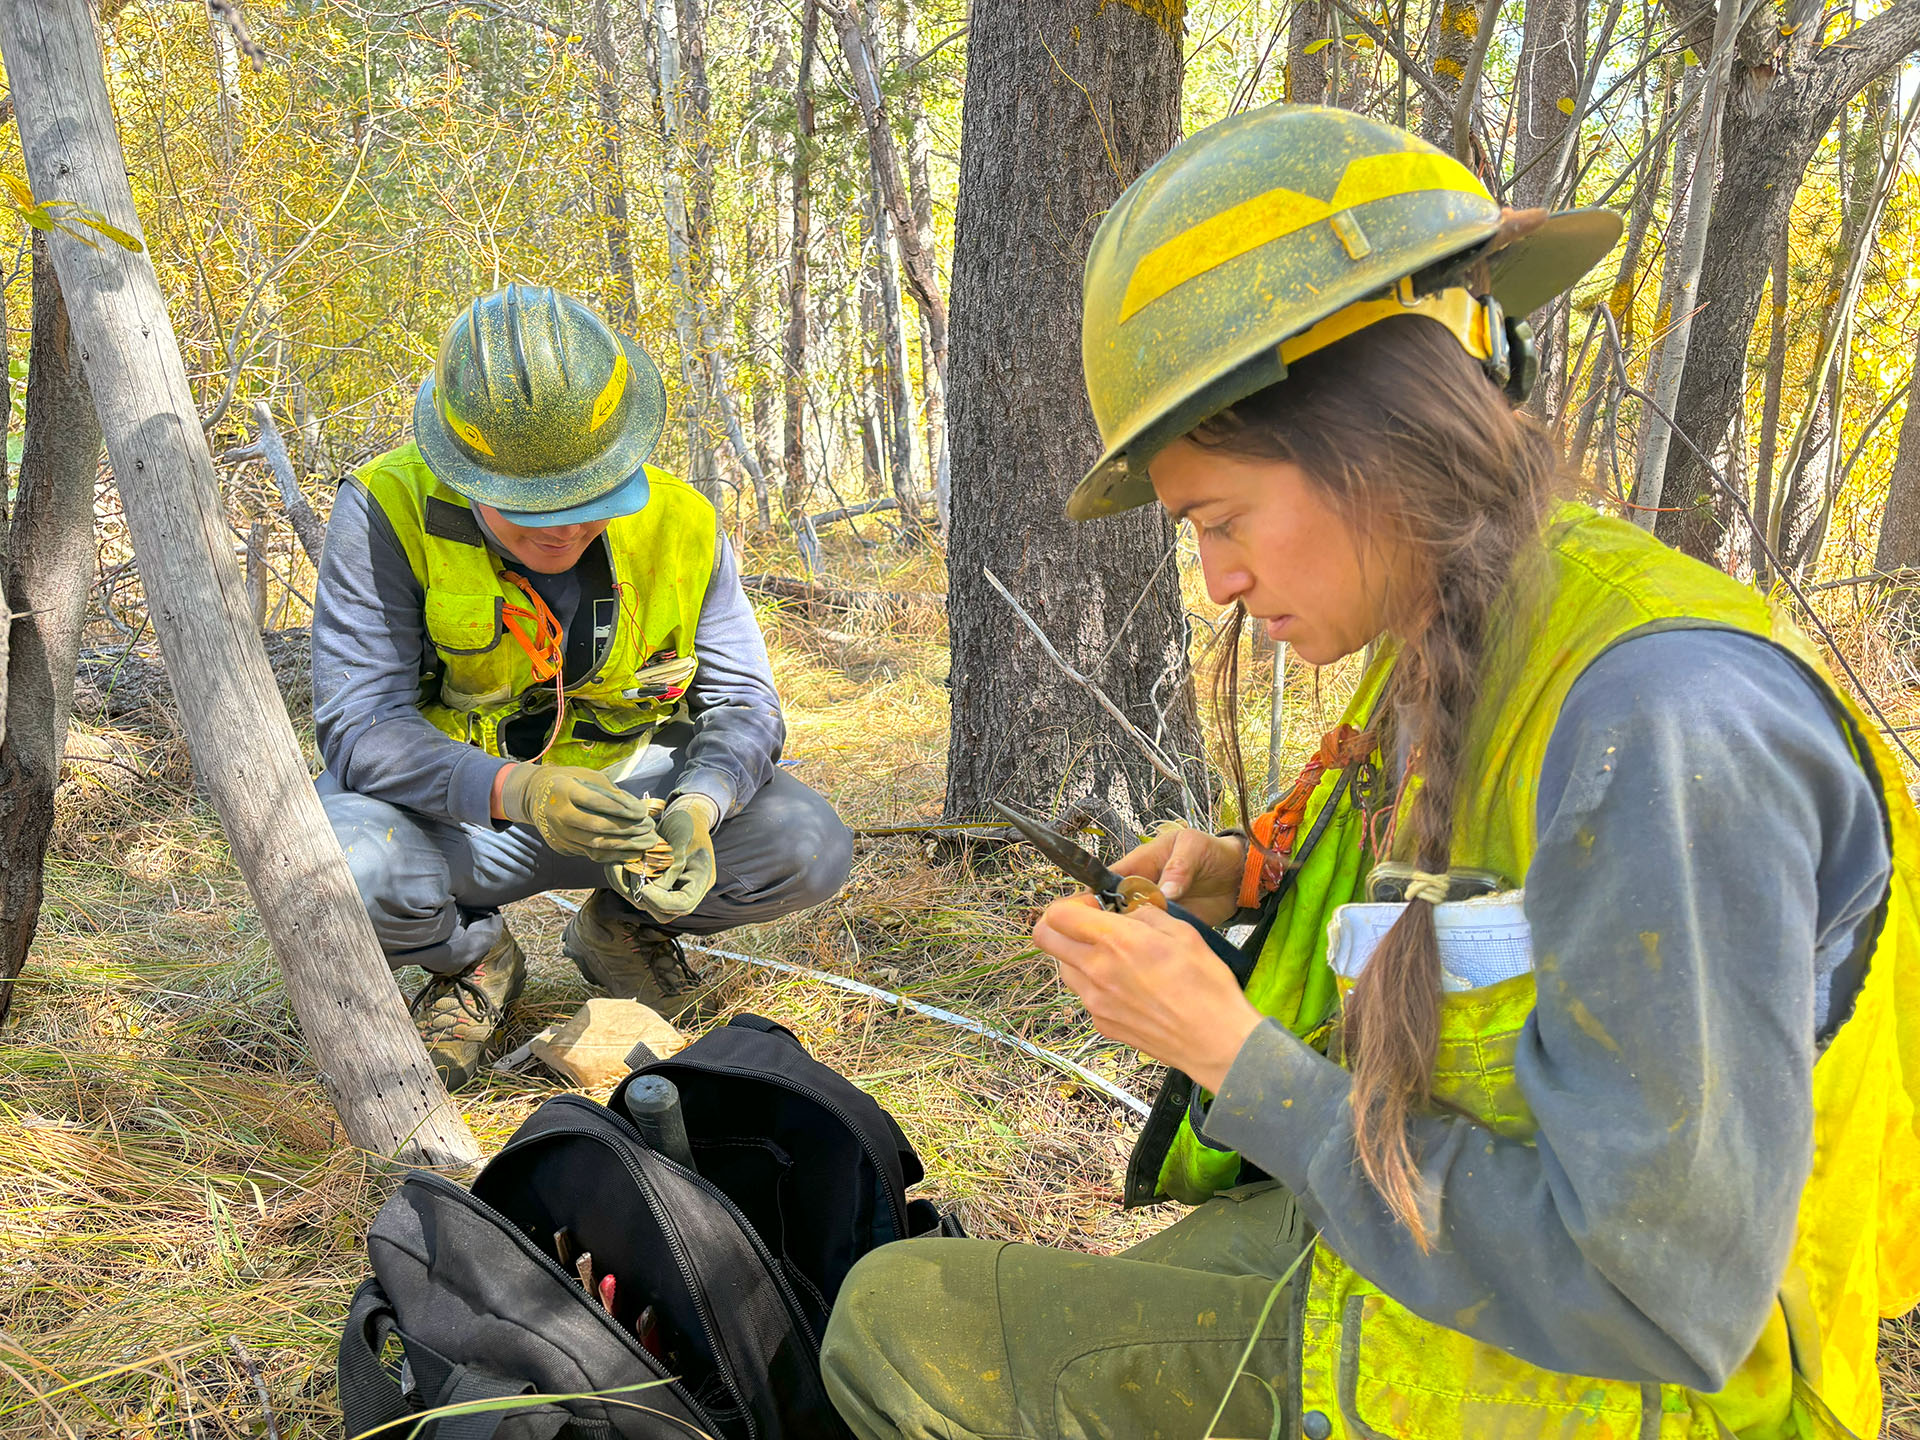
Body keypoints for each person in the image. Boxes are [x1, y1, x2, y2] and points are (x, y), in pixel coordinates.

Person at [820, 107, 1920, 1439]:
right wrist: (1242, 894)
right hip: (1439, 1290)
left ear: (1376, 439)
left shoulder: (1663, 721)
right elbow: (1470, 953)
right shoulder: (1471, 631)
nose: (1217, 581)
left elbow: (1659, 1302)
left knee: (903, 1325)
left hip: (1617, 1396)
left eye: (1220, 522)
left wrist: (1232, 1058)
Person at [312, 284, 853, 1088]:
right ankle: (473, 962)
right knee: (333, 864)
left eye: (588, 502)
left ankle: (625, 930)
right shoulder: (386, 509)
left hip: (644, 811)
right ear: (465, 475)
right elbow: (359, 725)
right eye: (528, 511)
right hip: (468, 820)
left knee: (808, 844)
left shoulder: (683, 520)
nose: (561, 529)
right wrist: (518, 790)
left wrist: (701, 802)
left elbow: (745, 702)